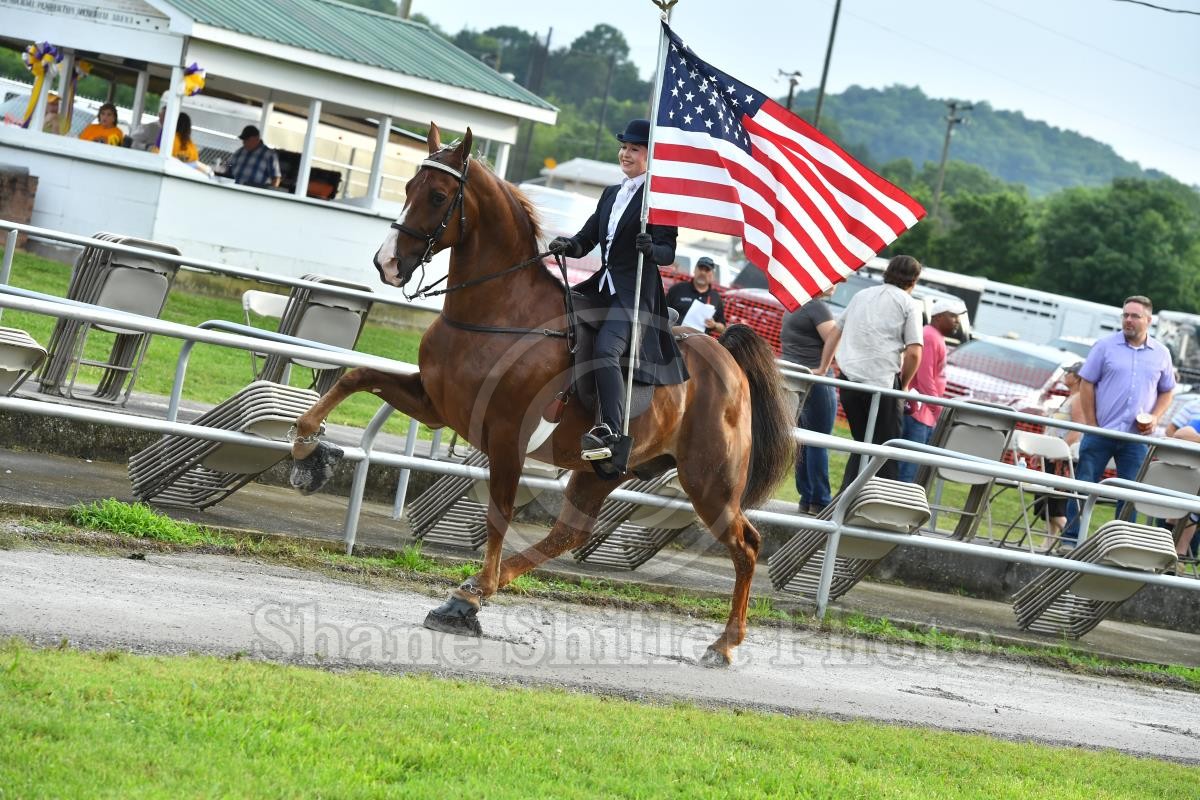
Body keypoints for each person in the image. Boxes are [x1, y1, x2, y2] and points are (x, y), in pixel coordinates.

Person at [547, 118, 688, 465]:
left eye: (634, 149)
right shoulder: (612, 193)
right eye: (624, 147)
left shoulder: (660, 197)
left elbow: (668, 252)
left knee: (607, 351)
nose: (625, 153)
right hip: (602, 289)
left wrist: (651, 249)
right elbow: (587, 239)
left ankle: (610, 429)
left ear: (649, 156)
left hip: (636, 295)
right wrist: (568, 245)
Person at [1063, 295, 1175, 548]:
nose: (1128, 320)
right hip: (1101, 432)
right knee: (1084, 485)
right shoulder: (1105, 346)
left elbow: (1168, 390)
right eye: (1125, 315)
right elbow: (1088, 382)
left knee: (1130, 494)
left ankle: (1122, 546)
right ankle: (1070, 541)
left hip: (1135, 437)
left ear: (1148, 320)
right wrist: (1091, 424)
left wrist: (1155, 416)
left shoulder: (1161, 354)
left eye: (1135, 316)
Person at [819, 255, 924, 485]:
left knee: (863, 443)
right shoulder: (909, 304)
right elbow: (915, 352)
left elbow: (836, 331)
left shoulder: (861, 295)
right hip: (882, 384)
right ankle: (877, 507)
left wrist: (823, 367)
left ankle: (846, 500)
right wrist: (904, 386)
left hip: (849, 381)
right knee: (886, 448)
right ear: (914, 280)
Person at [896, 295, 966, 482]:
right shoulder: (929, 336)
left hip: (924, 411)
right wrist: (937, 409)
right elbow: (925, 378)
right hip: (918, 410)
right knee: (908, 468)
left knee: (914, 467)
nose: (957, 322)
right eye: (952, 316)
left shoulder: (934, 336)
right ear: (938, 317)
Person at [781, 287, 838, 513]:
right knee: (819, 440)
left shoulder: (794, 304)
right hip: (815, 378)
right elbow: (834, 338)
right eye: (832, 281)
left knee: (803, 440)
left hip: (798, 379)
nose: (835, 285)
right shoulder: (817, 307)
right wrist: (826, 366)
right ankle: (820, 500)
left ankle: (806, 496)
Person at [1035, 361, 1086, 538]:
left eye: (1069, 372)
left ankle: (1074, 538)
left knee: (1054, 505)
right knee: (1047, 503)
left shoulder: (1079, 398)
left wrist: (1060, 452)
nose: (1065, 375)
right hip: (1052, 455)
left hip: (1062, 459)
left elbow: (1078, 428)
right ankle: (1049, 541)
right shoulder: (1070, 397)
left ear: (1078, 377)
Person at [665, 256, 726, 334]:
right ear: (694, 270)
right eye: (700, 268)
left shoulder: (716, 298)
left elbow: (723, 328)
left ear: (712, 274)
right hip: (673, 337)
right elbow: (663, 312)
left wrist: (714, 325)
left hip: (699, 343)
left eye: (707, 270)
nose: (703, 273)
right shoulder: (678, 289)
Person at [216, 124, 281, 188]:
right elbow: (228, 167)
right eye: (243, 140)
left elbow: (276, 178)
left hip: (254, 194)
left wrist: (268, 195)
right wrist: (224, 165)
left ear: (256, 138)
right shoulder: (239, 152)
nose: (244, 142)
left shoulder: (269, 154)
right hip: (234, 189)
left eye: (247, 139)